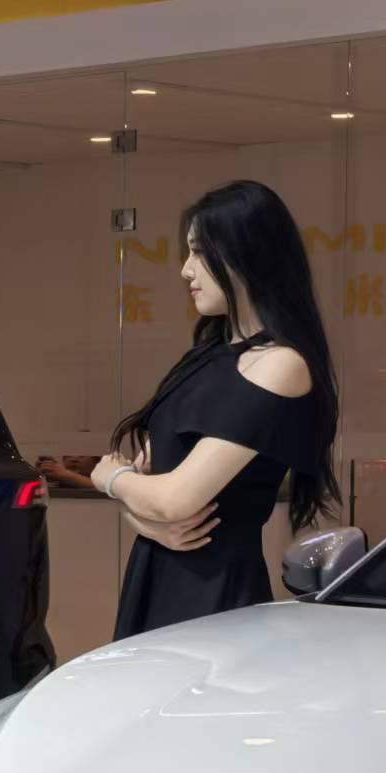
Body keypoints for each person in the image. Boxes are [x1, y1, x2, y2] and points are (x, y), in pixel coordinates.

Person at [90, 180, 340, 640]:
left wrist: (107, 477)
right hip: (158, 574)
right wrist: (147, 519)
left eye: (200, 253)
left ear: (249, 254)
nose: (186, 270)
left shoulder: (280, 365)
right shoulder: (208, 356)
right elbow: (152, 491)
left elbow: (173, 499)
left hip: (212, 596)